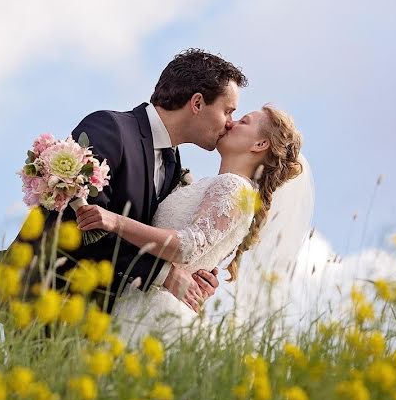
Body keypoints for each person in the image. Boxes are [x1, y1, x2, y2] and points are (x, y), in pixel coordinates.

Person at [0, 49, 247, 315]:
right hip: (44, 298)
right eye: (227, 111)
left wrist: (195, 273)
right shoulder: (111, 129)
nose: (230, 123)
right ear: (197, 103)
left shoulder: (174, 165)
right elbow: (83, 222)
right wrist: (163, 274)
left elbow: (148, 233)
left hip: (102, 316)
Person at [76, 105, 306, 345]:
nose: (231, 123)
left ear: (260, 145)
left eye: (244, 121)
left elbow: (186, 246)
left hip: (155, 310)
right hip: (140, 298)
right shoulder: (216, 186)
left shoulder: (234, 187)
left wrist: (115, 221)